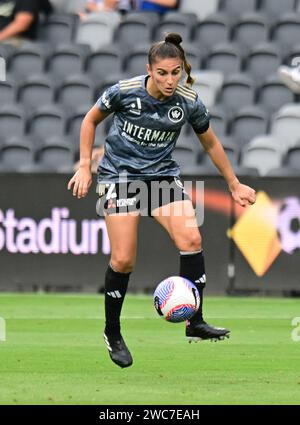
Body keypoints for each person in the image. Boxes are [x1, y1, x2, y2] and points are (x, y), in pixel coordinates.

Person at [67, 33, 256, 369]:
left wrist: (234, 183)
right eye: (163, 73)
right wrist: (85, 167)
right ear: (149, 70)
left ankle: (194, 321)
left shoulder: (188, 100)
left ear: (183, 70)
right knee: (124, 260)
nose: (170, 80)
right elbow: (89, 120)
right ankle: (113, 332)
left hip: (162, 178)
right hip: (119, 178)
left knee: (192, 238)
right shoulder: (124, 91)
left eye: (176, 73)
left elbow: (211, 144)